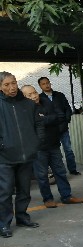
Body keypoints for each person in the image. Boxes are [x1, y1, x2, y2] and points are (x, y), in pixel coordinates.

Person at [21, 85, 83, 208]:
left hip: (54, 144)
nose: (34, 96)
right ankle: (48, 199)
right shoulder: (24, 109)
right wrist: (46, 119)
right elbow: (29, 126)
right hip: (38, 149)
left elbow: (58, 117)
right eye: (30, 95)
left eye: (35, 92)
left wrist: (42, 119)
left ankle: (67, 196)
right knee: (42, 175)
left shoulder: (46, 102)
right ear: (24, 97)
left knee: (60, 172)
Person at [0, 72, 44, 238]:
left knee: (24, 190)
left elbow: (39, 124)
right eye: (6, 85)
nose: (12, 87)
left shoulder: (27, 104)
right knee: (4, 192)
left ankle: (22, 217)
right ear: (0, 87)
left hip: (27, 154)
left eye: (14, 83)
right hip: (5, 157)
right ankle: (4, 224)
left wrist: (36, 142)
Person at [38, 77, 80, 175]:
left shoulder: (59, 95)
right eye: (43, 84)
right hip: (51, 130)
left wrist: (67, 120)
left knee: (68, 150)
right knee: (53, 152)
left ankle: (72, 169)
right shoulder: (40, 98)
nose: (46, 85)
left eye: (47, 83)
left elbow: (67, 109)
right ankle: (56, 172)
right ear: (40, 86)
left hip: (63, 128)